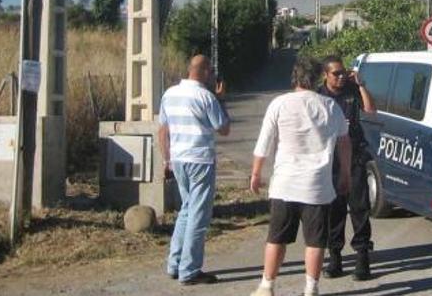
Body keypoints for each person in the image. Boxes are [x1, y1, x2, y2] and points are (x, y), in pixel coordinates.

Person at [249, 57, 351, 296]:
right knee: (315, 242)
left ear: (294, 76)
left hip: (285, 183)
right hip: (317, 186)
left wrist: (256, 173)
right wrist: (345, 173)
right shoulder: (330, 106)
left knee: (276, 238)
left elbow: (264, 142)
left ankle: (267, 285)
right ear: (318, 77)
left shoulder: (279, 104)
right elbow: (344, 143)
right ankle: (311, 289)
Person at [157, 54, 230, 285]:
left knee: (186, 210)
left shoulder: (169, 94)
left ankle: (174, 263)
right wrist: (221, 100)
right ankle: (189, 270)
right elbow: (224, 128)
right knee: (198, 216)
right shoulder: (206, 97)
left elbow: (163, 131)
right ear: (206, 72)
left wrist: (166, 160)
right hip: (200, 160)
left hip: (178, 159)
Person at [318, 55, 377, 280]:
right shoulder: (318, 95)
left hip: (354, 157)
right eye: (336, 74)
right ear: (326, 75)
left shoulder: (353, 89)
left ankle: (362, 258)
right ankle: (335, 259)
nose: (341, 77)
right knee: (335, 210)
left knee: (360, 208)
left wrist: (361, 84)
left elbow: (371, 109)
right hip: (330, 160)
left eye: (343, 72)